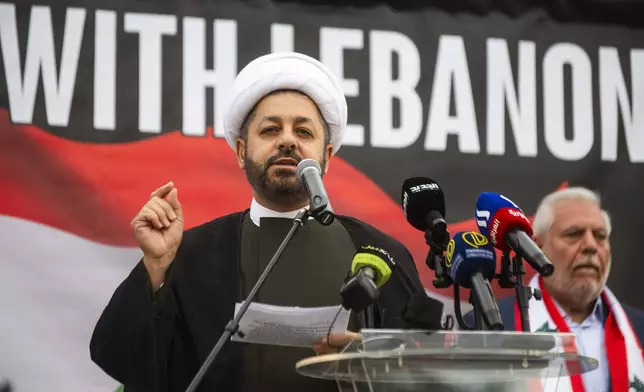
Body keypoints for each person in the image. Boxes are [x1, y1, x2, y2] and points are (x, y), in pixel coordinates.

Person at [89, 52, 443, 392]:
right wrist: (156, 268)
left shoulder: (379, 254)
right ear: (242, 151)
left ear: (327, 157)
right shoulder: (192, 253)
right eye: (271, 130)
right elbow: (126, 362)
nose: (287, 140)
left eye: (303, 133)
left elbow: (428, 375)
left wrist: (373, 365)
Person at [466, 187, 644, 391]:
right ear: (538, 246)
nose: (590, 245)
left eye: (600, 235)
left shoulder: (639, 329)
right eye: (574, 234)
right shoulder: (491, 326)